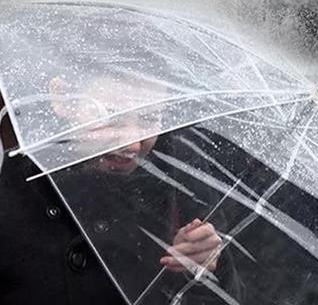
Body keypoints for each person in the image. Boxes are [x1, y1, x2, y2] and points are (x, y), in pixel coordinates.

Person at [0, 75, 233, 305]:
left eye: (149, 119)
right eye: (111, 116)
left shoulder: (179, 175)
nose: (133, 144)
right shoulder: (15, 186)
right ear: (62, 98)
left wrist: (205, 267)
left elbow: (224, 294)